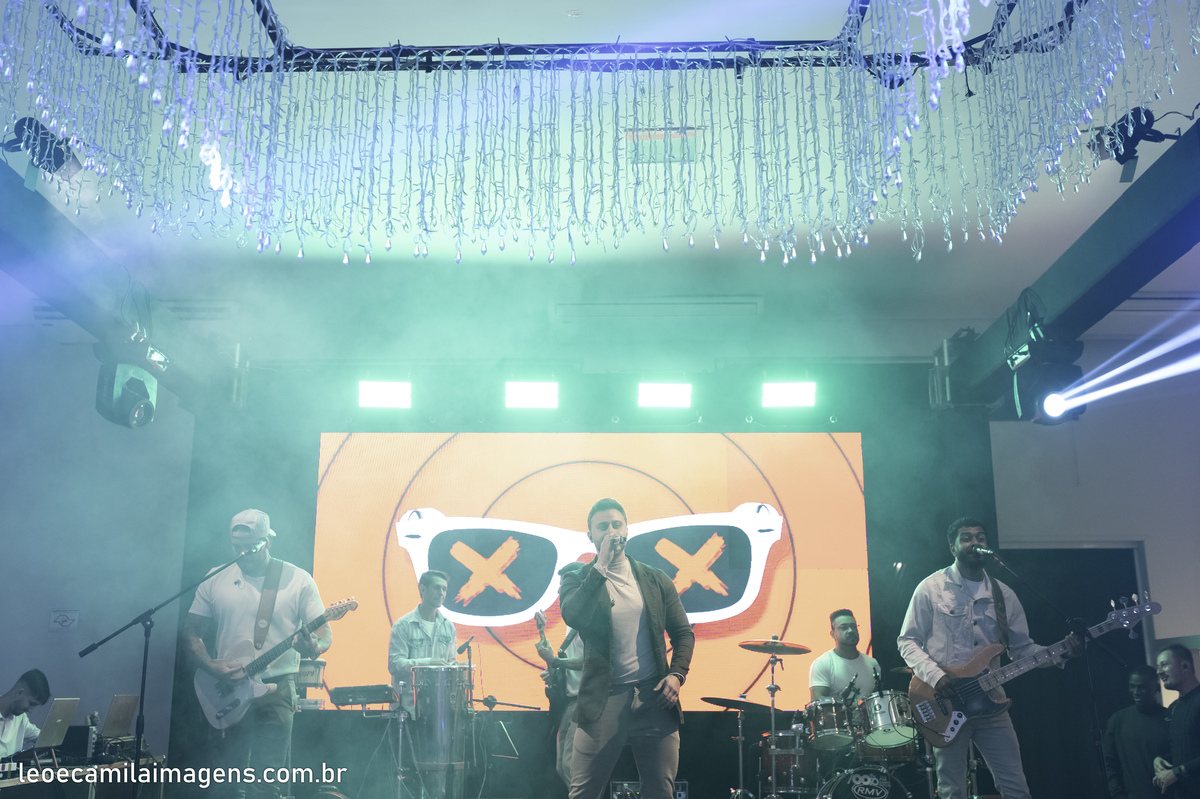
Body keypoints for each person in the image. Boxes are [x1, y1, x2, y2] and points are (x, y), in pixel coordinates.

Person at [897, 517, 1072, 799]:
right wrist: (936, 676)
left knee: (1016, 787)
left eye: (980, 537)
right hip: (945, 703)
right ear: (952, 547)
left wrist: (1059, 652)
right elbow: (907, 641)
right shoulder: (930, 588)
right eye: (966, 537)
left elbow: (1021, 649)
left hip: (992, 704)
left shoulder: (1004, 594)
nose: (975, 542)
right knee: (952, 790)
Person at [183, 509, 331, 799]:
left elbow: (324, 634)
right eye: (236, 546)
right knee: (226, 781)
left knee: (266, 783)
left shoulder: (297, 579)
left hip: (277, 688)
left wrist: (313, 647)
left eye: (250, 547)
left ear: (268, 542)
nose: (242, 553)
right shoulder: (215, 577)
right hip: (227, 687)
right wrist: (210, 666)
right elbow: (191, 633)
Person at [559, 498, 695, 799]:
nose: (611, 531)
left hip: (653, 697)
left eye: (616, 524)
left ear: (626, 530)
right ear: (591, 536)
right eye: (603, 527)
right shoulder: (577, 578)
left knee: (660, 791)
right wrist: (601, 566)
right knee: (583, 792)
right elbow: (574, 615)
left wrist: (676, 675)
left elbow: (683, 633)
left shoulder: (655, 579)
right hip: (603, 698)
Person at [536, 563, 586, 785]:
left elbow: (593, 662)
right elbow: (567, 663)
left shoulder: (590, 619)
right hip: (570, 701)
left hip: (585, 699)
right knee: (562, 766)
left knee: (572, 767)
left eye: (563, 585)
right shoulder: (572, 622)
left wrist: (556, 661)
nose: (559, 590)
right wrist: (541, 633)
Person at [387, 569, 458, 710]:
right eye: (437, 588)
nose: (441, 593)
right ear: (422, 589)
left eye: (444, 589)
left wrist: (457, 667)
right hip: (407, 708)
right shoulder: (403, 625)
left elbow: (450, 662)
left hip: (438, 707)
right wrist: (429, 663)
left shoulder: (448, 626)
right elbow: (395, 665)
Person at [1103, 664, 1170, 799]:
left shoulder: (1170, 718)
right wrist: (1117, 795)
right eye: (1132, 686)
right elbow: (1109, 764)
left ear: (1157, 688)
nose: (1136, 692)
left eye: (1142, 687)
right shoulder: (1117, 721)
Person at [1153, 644, 1200, 797]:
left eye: (1164, 665)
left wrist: (1177, 772)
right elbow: (1185, 750)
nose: (1159, 671)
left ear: (1185, 666)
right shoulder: (1173, 707)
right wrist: (1162, 759)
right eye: (1158, 667)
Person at [809, 609, 881, 702]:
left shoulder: (872, 664)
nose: (850, 630)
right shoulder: (822, 663)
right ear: (833, 634)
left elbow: (878, 701)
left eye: (853, 626)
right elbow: (818, 704)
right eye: (844, 627)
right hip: (838, 712)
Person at [0, 670, 51, 757]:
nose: (31, 711)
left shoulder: (22, 719)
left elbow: (46, 740)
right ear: (19, 693)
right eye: (31, 703)